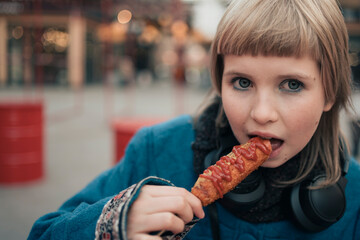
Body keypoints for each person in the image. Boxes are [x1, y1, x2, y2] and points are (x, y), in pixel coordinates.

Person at [28, 0, 360, 239]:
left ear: (329, 92)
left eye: (292, 85)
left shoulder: (356, 193)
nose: (261, 113)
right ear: (220, 81)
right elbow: (43, 233)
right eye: (242, 82)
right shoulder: (156, 151)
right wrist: (111, 224)